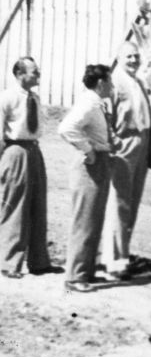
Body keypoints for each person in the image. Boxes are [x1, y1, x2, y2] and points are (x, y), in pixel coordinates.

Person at [102, 41, 151, 280]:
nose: (134, 61)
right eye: (129, 57)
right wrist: (113, 144)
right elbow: (105, 118)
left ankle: (122, 255)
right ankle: (113, 262)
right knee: (120, 204)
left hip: (142, 145)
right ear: (118, 57)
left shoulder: (139, 83)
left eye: (136, 56)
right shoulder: (114, 84)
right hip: (124, 146)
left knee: (132, 204)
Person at [59, 64, 115, 293]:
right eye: (109, 82)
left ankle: (85, 271)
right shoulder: (89, 103)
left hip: (100, 161)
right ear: (101, 83)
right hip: (89, 165)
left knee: (94, 219)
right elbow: (66, 128)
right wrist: (88, 150)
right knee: (85, 220)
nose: (112, 86)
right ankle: (74, 277)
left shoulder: (95, 102)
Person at [0, 57, 56, 278]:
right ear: (20, 74)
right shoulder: (7, 97)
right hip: (15, 151)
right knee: (14, 206)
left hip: (34, 151)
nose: (38, 75)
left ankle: (39, 261)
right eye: (34, 72)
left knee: (37, 204)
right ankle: (8, 262)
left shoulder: (35, 98)